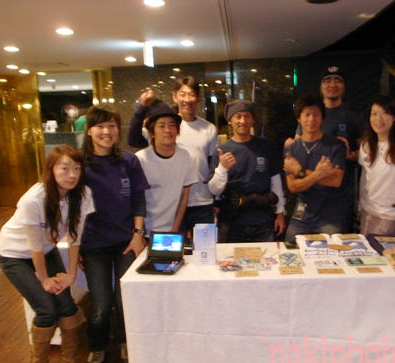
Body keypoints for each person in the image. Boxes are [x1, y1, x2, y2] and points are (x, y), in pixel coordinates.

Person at [0, 145, 94, 363]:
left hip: (47, 251)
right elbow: (34, 247)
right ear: (51, 169)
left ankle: (70, 360)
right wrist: (44, 279)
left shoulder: (83, 194)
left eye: (77, 168)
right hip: (14, 254)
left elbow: (75, 238)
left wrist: (71, 274)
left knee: (67, 306)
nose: (72, 174)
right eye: (65, 168)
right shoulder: (33, 200)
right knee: (47, 309)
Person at [80, 105, 149, 363]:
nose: (106, 131)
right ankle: (97, 346)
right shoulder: (79, 163)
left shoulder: (129, 161)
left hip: (126, 241)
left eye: (111, 125)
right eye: (100, 126)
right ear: (89, 131)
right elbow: (69, 207)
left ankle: (125, 342)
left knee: (125, 299)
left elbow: (139, 200)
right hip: (93, 244)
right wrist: (76, 248)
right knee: (100, 303)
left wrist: (138, 235)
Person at [128, 77, 218, 236]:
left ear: (197, 98)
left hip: (201, 200)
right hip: (172, 204)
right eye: (183, 94)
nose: (187, 99)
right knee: (176, 244)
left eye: (192, 94)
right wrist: (141, 107)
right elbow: (133, 139)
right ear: (175, 96)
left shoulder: (208, 128)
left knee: (204, 245)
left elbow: (213, 166)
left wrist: (216, 199)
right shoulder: (163, 123)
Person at [286, 66, 363, 232]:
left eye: (337, 80)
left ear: (344, 86)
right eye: (327, 80)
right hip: (308, 194)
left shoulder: (353, 114)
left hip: (340, 190)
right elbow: (298, 147)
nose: (332, 84)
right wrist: (290, 149)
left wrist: (351, 155)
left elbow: (367, 151)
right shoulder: (312, 110)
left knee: (337, 238)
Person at [208, 100, 286, 242]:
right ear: (230, 121)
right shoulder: (222, 150)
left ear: (253, 120)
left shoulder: (266, 147)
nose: (243, 121)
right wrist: (222, 168)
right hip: (232, 221)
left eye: (247, 116)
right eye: (238, 116)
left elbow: (276, 182)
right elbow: (214, 190)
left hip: (263, 219)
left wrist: (280, 212)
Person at [283, 93, 346, 242]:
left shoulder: (336, 145)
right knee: (290, 250)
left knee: (331, 252)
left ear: (322, 118)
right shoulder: (291, 149)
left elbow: (336, 180)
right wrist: (319, 174)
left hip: (329, 216)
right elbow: (293, 186)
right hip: (301, 215)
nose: (311, 119)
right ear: (299, 118)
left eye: (316, 114)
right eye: (307, 114)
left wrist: (300, 172)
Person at [358, 95, 395, 234]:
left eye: (385, 113)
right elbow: (364, 178)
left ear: (394, 117)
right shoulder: (366, 144)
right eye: (374, 113)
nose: (378, 119)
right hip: (367, 210)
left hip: (389, 216)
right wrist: (360, 206)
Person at [136, 102, 198, 234]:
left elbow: (184, 196)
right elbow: (136, 200)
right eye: (162, 126)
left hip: (174, 229)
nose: (168, 130)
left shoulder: (187, 157)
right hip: (145, 229)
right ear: (152, 132)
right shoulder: (140, 159)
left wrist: (175, 228)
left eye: (172, 125)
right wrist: (140, 233)